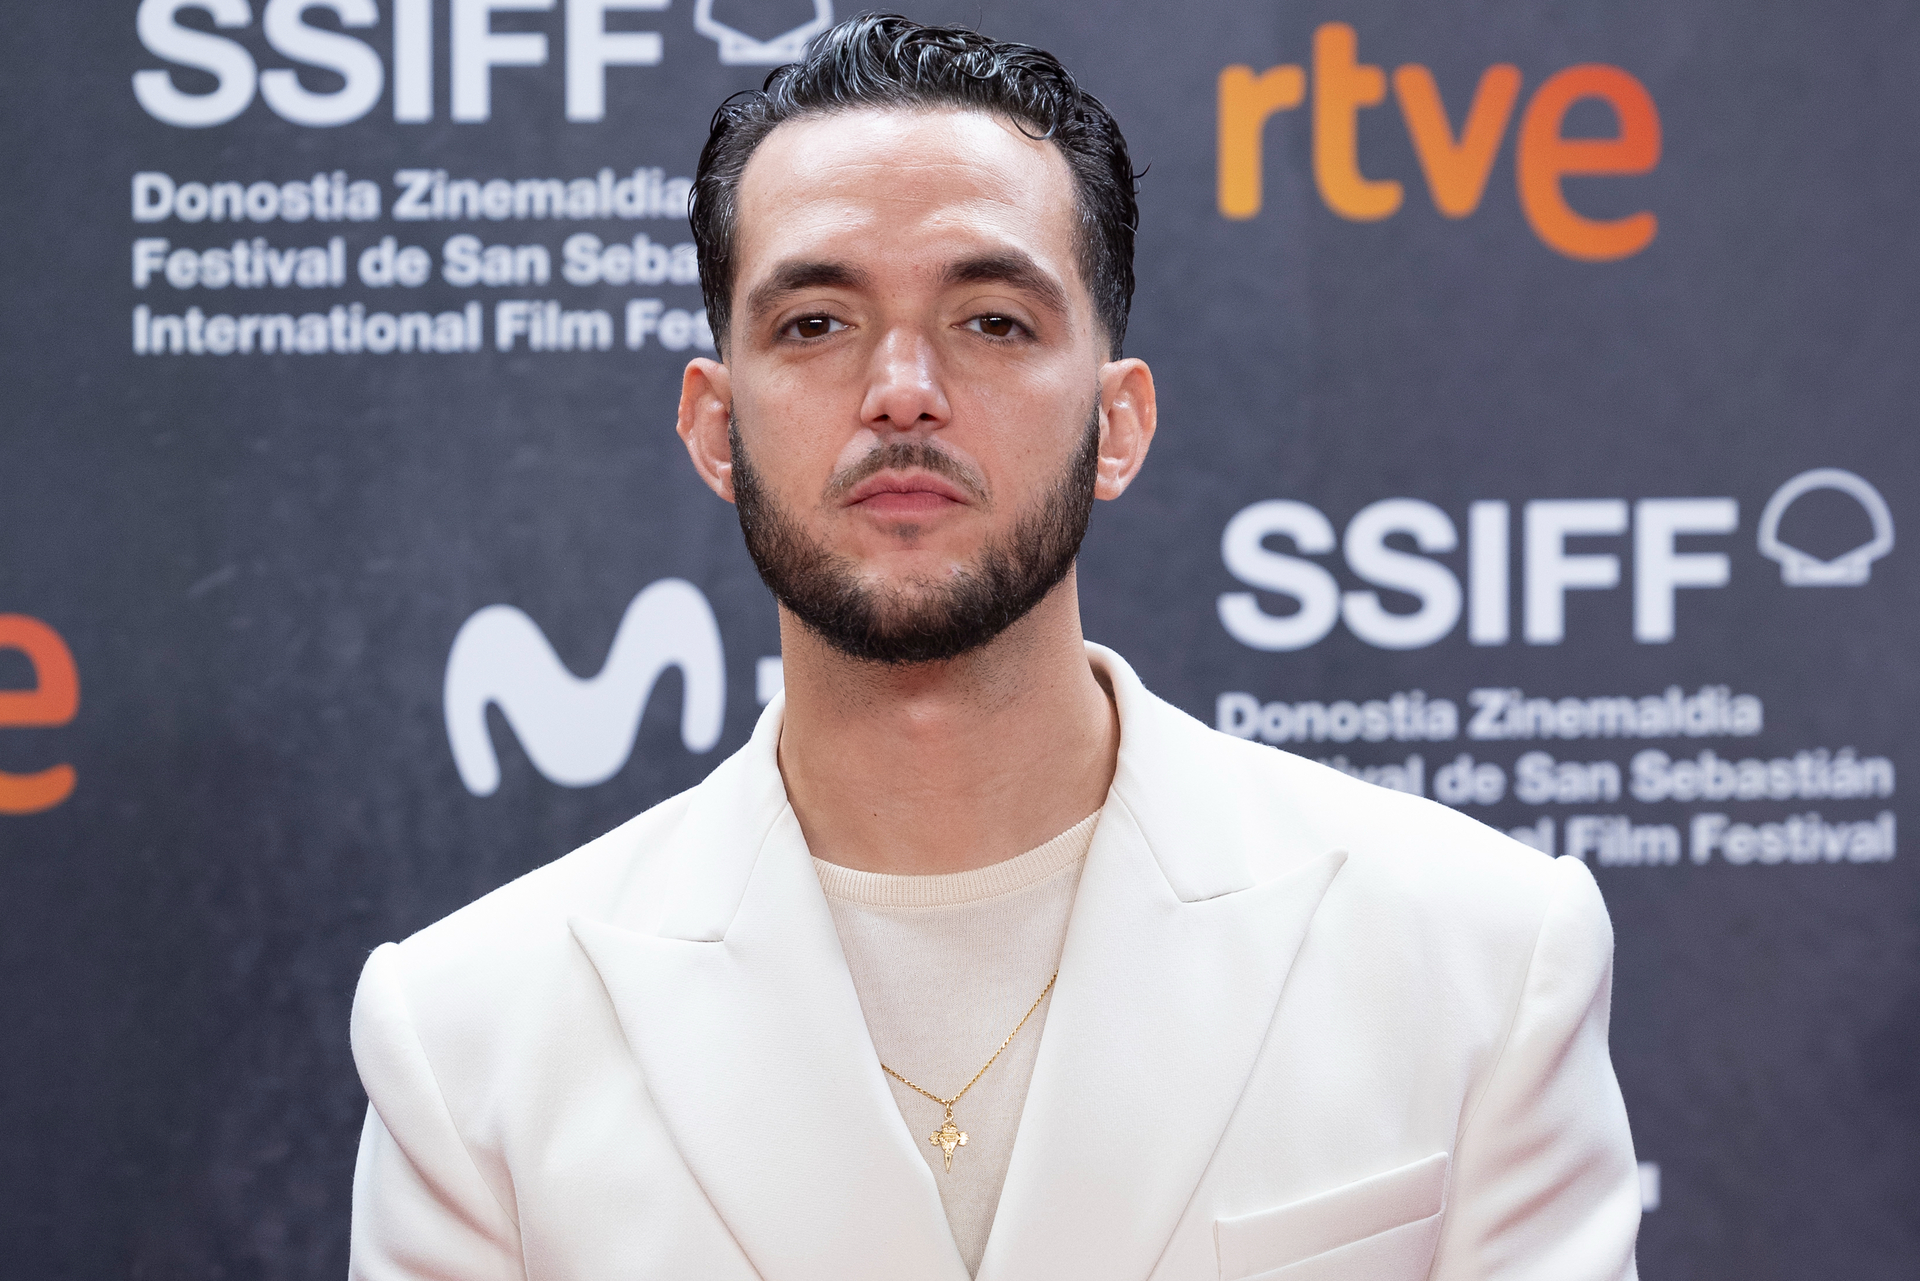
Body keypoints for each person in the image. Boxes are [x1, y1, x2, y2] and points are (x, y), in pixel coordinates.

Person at [348, 16, 1641, 1280]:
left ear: (1118, 422)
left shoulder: (1478, 955)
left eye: (993, 321)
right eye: (816, 323)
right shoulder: (472, 1034)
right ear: (713, 426)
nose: (902, 391)